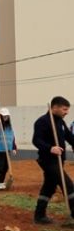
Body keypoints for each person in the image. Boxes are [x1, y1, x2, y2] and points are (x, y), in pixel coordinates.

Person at [32, 96, 74, 224]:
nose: (66, 112)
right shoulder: (42, 122)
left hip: (59, 160)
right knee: (68, 186)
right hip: (48, 161)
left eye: (67, 110)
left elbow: (69, 136)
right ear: (54, 107)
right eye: (64, 109)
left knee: (49, 187)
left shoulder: (60, 122)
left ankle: (39, 216)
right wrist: (50, 148)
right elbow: (36, 140)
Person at [0, 108, 17, 191]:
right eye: (4, 116)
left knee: (6, 166)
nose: (5, 117)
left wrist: (14, 148)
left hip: (7, 150)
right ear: (1, 116)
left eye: (7, 116)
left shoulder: (9, 128)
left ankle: (1, 182)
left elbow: (12, 138)